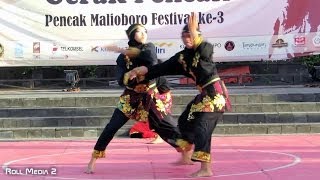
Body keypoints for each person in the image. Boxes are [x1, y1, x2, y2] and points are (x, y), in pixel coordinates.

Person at [126, 12, 232, 177]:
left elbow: (204, 51)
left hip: (215, 96)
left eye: (190, 35)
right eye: (184, 35)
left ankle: (206, 169)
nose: (187, 38)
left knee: (202, 128)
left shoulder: (205, 48)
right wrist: (142, 70)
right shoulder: (182, 57)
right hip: (203, 96)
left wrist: (195, 33)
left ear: (197, 35)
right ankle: (186, 156)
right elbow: (160, 68)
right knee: (184, 121)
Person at [85, 23, 181, 174]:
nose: (143, 34)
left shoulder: (149, 47)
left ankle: (185, 151)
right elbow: (119, 79)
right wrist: (129, 77)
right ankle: (93, 159)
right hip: (130, 97)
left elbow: (151, 60)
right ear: (131, 35)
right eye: (139, 32)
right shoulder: (122, 58)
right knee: (112, 127)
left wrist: (130, 58)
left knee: (166, 126)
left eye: (145, 31)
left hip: (150, 96)